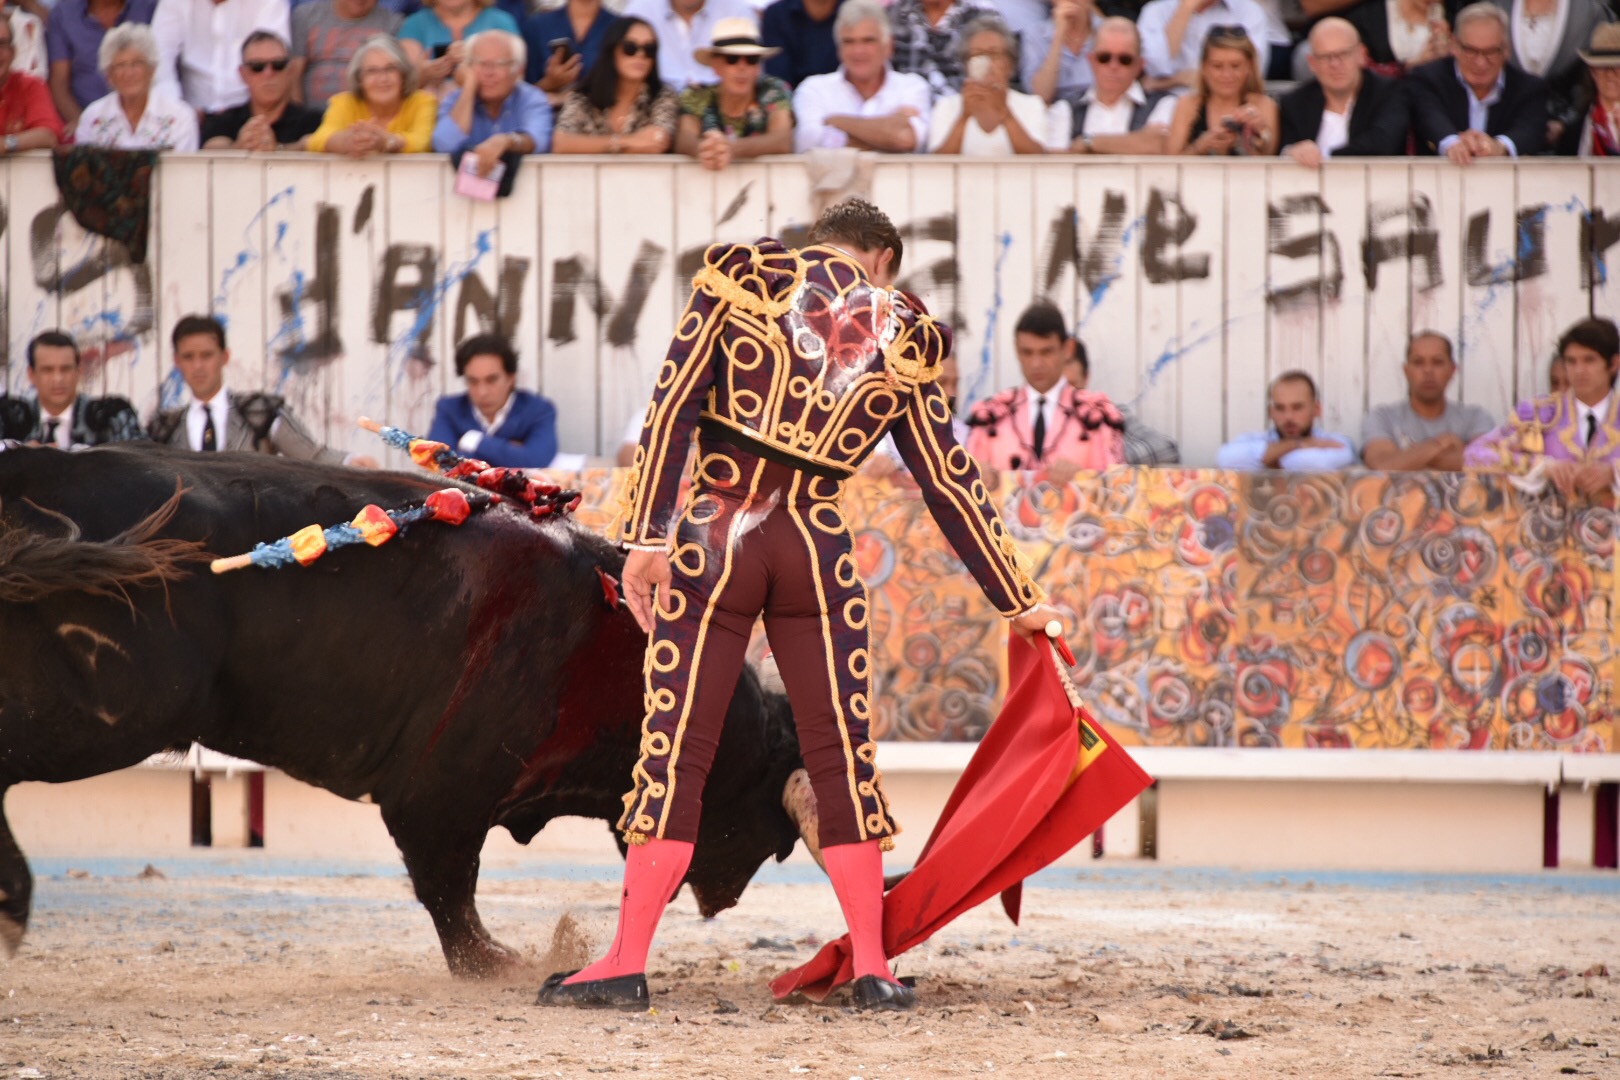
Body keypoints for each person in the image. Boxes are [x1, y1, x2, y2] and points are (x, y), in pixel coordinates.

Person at [535, 197, 1061, 1014]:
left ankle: (625, 960)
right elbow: (947, 481)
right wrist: (1018, 601)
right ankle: (875, 969)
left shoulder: (746, 275)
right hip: (814, 540)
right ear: (882, 259)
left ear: (827, 243)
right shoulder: (907, 331)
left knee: (677, 749)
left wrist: (644, 538)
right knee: (839, 756)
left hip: (718, 528)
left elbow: (672, 411)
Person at [147, 313, 377, 466]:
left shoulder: (261, 413)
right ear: (177, 361)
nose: (198, 366)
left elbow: (313, 456)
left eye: (206, 355)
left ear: (224, 357)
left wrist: (352, 462)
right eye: (188, 357)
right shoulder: (163, 428)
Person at [965, 302, 1125, 484]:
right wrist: (976, 476)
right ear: (1017, 350)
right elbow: (964, 490)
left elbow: (1117, 488)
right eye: (1027, 352)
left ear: (1067, 349)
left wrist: (1083, 478)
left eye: (1046, 352)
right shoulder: (989, 414)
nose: (1036, 363)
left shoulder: (1098, 413)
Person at [1464, 318, 1620, 499]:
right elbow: (1474, 454)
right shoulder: (1540, 413)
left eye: (1589, 360)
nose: (1579, 370)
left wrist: (1613, 472)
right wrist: (1542, 467)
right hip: (1548, 524)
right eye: (1571, 361)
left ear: (1614, 364)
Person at [1408, 1, 1547, 161]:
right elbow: (1430, 118)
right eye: (1471, 51)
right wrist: (1454, 145)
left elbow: (1528, 131)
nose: (1480, 63)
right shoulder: (1428, 79)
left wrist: (1498, 147)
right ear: (1454, 45)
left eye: (1491, 52)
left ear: (1506, 50)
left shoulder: (1529, 88)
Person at [793, 0, 932, 152]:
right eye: (849, 42)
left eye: (868, 41)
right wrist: (889, 130)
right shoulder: (814, 89)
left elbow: (905, 139)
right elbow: (808, 142)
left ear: (888, 46)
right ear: (839, 49)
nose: (858, 51)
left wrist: (835, 121)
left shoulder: (912, 86)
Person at [1278, 18, 1410, 166]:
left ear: (1362, 55)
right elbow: (1285, 150)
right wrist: (1292, 152)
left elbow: (1382, 144)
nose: (1335, 64)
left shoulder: (1390, 92)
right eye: (1325, 57)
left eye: (1344, 54)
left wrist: (1323, 156)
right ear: (1312, 64)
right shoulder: (1295, 103)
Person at [929, 13, 1065, 153]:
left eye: (994, 54)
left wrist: (1005, 113)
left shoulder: (1031, 105)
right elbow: (937, 164)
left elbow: (1037, 159)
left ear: (1010, 63)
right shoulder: (946, 106)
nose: (987, 62)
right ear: (966, 64)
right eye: (977, 54)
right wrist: (964, 117)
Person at [1360, 332, 1495, 470]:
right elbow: (1382, 465)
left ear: (1452, 370)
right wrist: (1441, 443)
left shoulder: (1475, 417)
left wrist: (1410, 457)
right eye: (1418, 362)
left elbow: (1487, 462)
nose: (1428, 370)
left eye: (1437, 362)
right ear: (1406, 371)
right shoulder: (1383, 417)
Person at [1492, 0, 1613, 154]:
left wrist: (1566, 124)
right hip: (1504, 140)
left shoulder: (1591, 13)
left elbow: (1597, 80)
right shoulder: (1496, 7)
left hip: (1570, 145)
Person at [674, 16, 793, 169]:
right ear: (716, 66)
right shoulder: (695, 94)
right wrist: (704, 150)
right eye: (732, 59)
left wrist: (730, 148)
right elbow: (683, 139)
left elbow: (782, 140)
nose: (742, 67)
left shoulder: (773, 89)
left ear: (758, 67)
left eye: (751, 59)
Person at [426, 333, 558, 468]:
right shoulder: (449, 409)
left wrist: (474, 440)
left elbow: (537, 460)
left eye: (492, 380)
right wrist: (513, 451)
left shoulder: (538, 410)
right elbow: (438, 462)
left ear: (511, 378)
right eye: (473, 381)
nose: (482, 392)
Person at [551, 16, 677, 153]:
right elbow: (561, 143)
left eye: (649, 49)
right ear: (612, 50)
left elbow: (656, 143)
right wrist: (629, 141)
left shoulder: (662, 95)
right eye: (630, 48)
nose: (640, 55)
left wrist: (589, 146)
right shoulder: (583, 96)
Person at [431, 28, 552, 164]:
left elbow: (539, 140)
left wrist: (508, 142)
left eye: (499, 64)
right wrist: (469, 86)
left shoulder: (531, 98)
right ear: (468, 67)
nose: (489, 73)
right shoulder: (455, 99)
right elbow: (444, 145)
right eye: (481, 63)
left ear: (518, 70)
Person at [0, 331, 142, 447]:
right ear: (31, 374)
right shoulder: (8, 418)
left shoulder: (111, 416)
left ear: (78, 370)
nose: (58, 378)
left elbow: (143, 466)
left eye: (65, 369)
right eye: (47, 370)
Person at [149, 0, 290, 113]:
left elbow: (274, 66)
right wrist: (179, 113)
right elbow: (158, 64)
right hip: (194, 117)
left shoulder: (268, 3)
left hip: (251, 117)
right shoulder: (175, 3)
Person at [307, 34, 436, 154]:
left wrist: (387, 142)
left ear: (403, 74)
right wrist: (347, 141)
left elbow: (423, 142)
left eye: (390, 68)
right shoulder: (343, 102)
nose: (382, 79)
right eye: (372, 71)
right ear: (359, 79)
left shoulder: (422, 101)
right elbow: (318, 139)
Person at [1065, 16, 1175, 155]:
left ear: (1139, 65)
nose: (1113, 66)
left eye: (1125, 60)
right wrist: (1136, 142)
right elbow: (1055, 161)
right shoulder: (1066, 108)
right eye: (1104, 57)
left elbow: (1157, 146)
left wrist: (1087, 142)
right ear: (1091, 61)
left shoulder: (1164, 103)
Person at [75, 22, 197, 149]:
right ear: (109, 75)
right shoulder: (93, 117)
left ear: (152, 70)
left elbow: (184, 168)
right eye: (120, 65)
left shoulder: (180, 117)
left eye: (137, 64)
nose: (128, 73)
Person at [1166, 23, 1278, 155]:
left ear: (1249, 67)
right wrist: (1201, 146)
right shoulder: (1186, 105)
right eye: (1217, 66)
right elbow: (1170, 165)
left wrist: (1259, 132)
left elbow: (1270, 160)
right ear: (1204, 67)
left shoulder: (1264, 105)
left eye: (1235, 66)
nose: (1227, 75)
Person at [44, 0, 158, 129]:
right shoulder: (63, 15)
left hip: (147, 121)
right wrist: (84, 124)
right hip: (84, 120)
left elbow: (162, 67)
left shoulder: (148, 7)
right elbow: (59, 85)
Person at [201, 30, 322, 150]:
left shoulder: (313, 121)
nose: (268, 73)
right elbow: (211, 148)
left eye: (278, 65)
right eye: (257, 67)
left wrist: (277, 149)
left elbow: (312, 144)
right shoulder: (223, 120)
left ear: (290, 70)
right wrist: (239, 147)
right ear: (243, 74)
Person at [1215, 371, 1357, 470]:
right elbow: (1226, 458)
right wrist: (1297, 444)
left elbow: (1307, 463)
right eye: (1280, 408)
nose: (1288, 416)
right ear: (1271, 412)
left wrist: (1268, 458)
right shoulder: (1252, 439)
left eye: (1297, 407)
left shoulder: (1336, 442)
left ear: (1317, 409)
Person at [1062, 347, 1180, 465]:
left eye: (1072, 387)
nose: (1065, 395)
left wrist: (1104, 458)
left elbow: (1167, 449)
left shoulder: (1109, 414)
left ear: (1086, 377)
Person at [287, 0, 401, 109]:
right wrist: (300, 119)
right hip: (312, 118)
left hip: (364, 119)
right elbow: (294, 74)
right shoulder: (306, 16)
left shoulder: (392, 23)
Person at [1137, 0, 1273, 91]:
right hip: (1166, 103)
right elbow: (1154, 69)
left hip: (1229, 103)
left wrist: (1173, 80)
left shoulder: (1250, 11)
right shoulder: (1155, 11)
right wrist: (1186, 8)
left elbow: (1252, 74)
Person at [622, 0, 755, 91]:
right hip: (656, 103)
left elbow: (752, 66)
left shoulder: (737, 9)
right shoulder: (641, 9)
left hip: (721, 104)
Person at [399, 0, 519, 97]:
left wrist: (473, 60)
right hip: (431, 113)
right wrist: (423, 75)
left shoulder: (501, 22)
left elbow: (517, 77)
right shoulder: (413, 24)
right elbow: (401, 85)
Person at [887, 0, 996, 101]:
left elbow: (993, 79)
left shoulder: (983, 17)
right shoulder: (892, 16)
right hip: (906, 112)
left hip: (965, 109)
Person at [522, 0, 614, 98]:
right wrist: (549, 84)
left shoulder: (619, 29)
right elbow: (518, 95)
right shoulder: (537, 27)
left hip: (603, 110)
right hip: (547, 111)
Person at [0, 11, 63, 153]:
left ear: (13, 52)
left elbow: (49, 135)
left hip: (21, 174)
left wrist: (6, 144)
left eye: (1, 44)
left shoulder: (30, 85)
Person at [1344, 0, 1455, 74]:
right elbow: (1360, 72)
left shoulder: (1455, 15)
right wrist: (1407, 68)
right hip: (1385, 101)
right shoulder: (1366, 16)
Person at [1023, 0, 1096, 105]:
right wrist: (1058, 36)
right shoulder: (1035, 34)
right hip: (1050, 113)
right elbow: (1040, 97)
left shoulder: (1106, 31)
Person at [760, 0, 842, 87]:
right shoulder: (776, 14)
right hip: (790, 97)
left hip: (847, 96)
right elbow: (778, 79)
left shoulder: (854, 12)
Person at [1575, 23, 1620, 155]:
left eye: (1617, 66)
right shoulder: (1577, 127)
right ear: (1592, 72)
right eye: (1602, 66)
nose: (1610, 74)